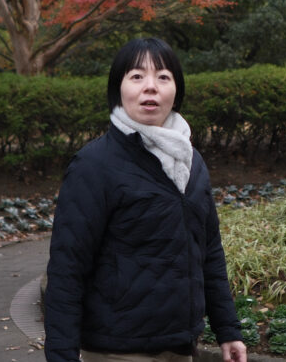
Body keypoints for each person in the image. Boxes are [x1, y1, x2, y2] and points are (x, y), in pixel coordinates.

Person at [44, 37, 247, 362]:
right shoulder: (95, 165)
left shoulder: (192, 162)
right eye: (137, 76)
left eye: (163, 77)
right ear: (118, 88)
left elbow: (208, 252)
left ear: (176, 90)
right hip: (118, 349)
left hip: (180, 346)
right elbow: (68, 268)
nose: (150, 87)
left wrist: (228, 330)